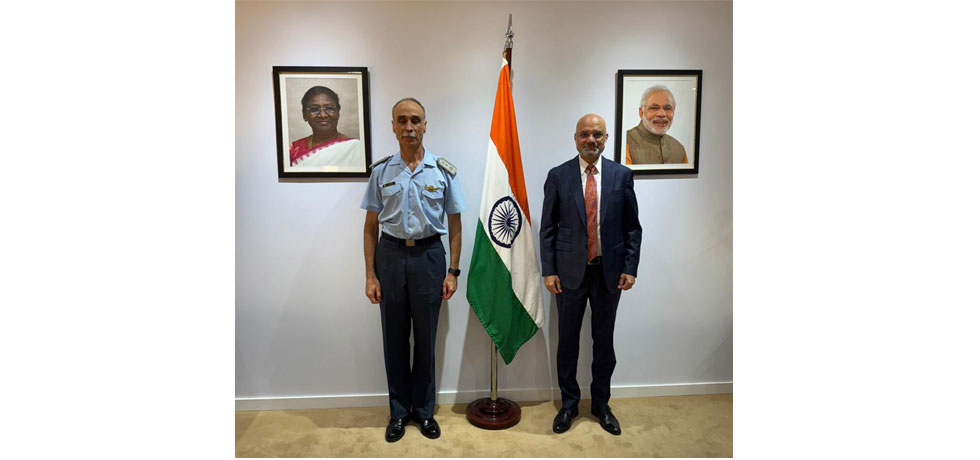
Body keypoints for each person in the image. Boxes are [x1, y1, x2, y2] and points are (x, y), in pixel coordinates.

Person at [360, 97, 465, 443]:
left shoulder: (443, 171)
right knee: (394, 338)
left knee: (426, 339)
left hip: (429, 257)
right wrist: (370, 274)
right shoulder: (381, 171)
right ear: (392, 126)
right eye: (402, 121)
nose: (409, 127)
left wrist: (453, 271)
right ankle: (398, 412)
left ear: (425, 125)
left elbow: (455, 224)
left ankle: (424, 412)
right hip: (390, 258)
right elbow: (370, 227)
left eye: (415, 120)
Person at [540, 113, 642, 436]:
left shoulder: (621, 175)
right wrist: (549, 270)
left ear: (606, 138)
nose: (591, 140)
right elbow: (547, 230)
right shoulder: (558, 176)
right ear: (575, 138)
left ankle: (601, 403)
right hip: (568, 276)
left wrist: (629, 267)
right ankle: (569, 404)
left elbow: (632, 228)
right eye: (585, 134)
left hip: (609, 275)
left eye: (597, 134)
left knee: (604, 344)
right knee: (567, 343)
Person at [289, 86, 364, 170]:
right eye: (314, 109)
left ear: (338, 113)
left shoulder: (355, 148)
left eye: (329, 108)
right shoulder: (295, 150)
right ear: (304, 115)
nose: (323, 115)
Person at [625, 85, 688, 164]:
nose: (662, 114)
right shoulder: (626, 142)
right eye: (654, 108)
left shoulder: (679, 149)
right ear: (641, 113)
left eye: (667, 108)